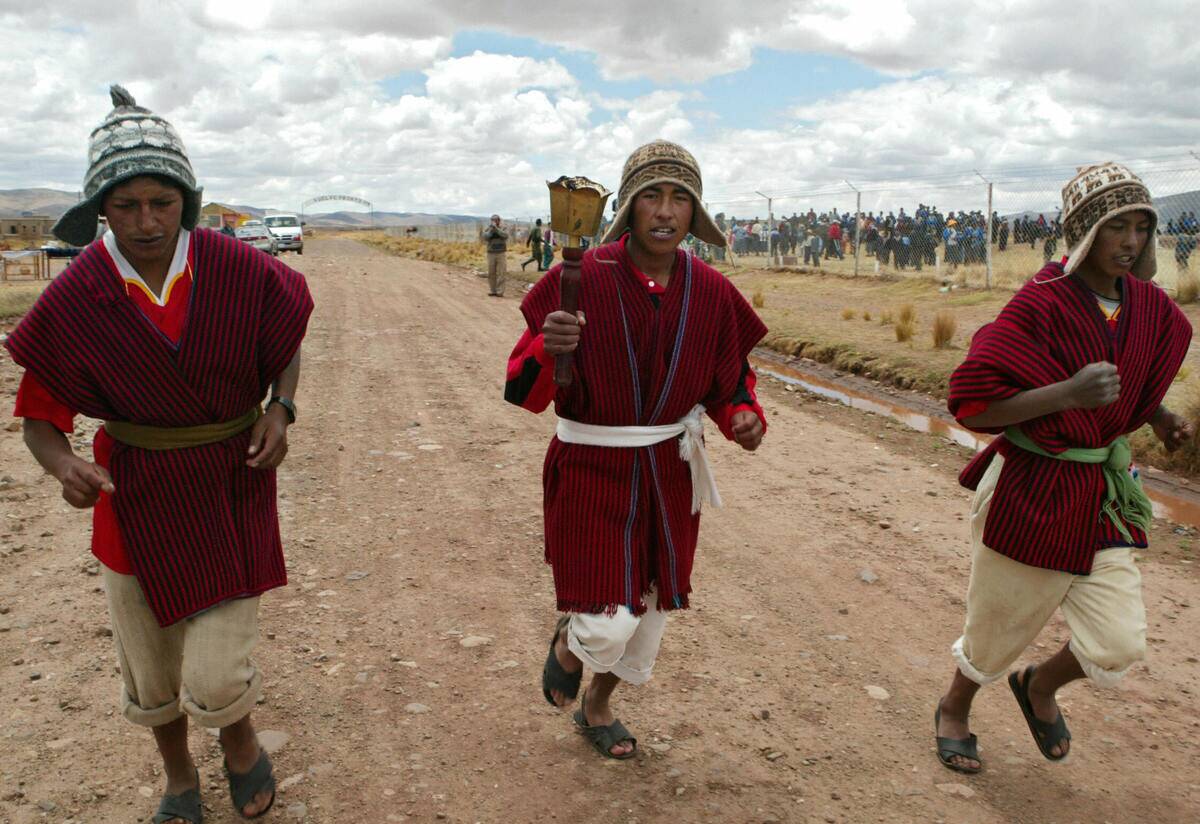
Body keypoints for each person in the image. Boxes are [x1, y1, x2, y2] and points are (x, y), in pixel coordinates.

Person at [4, 86, 313, 823]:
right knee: (150, 667)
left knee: (213, 670)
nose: (146, 222)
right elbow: (39, 419)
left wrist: (280, 406)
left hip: (228, 482)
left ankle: (239, 743)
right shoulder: (76, 294)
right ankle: (178, 776)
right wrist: (63, 466)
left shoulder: (237, 266)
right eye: (126, 205)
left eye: (162, 202)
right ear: (99, 211)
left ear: (186, 200)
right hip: (132, 496)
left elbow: (285, 340)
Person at [504, 140, 768, 760]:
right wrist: (550, 347)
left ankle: (597, 707)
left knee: (648, 622)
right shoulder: (578, 278)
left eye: (681, 197)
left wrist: (743, 417)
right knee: (607, 619)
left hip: (669, 469)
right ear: (627, 207)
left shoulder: (711, 291)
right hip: (594, 464)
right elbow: (521, 387)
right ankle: (571, 644)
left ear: (695, 212)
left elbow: (732, 380)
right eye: (653, 194)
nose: (666, 210)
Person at [933, 163, 1192, 775]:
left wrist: (1155, 416)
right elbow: (973, 400)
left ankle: (1040, 685)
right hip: (1034, 485)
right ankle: (954, 707)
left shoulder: (1147, 306)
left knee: (1119, 640)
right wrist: (1067, 395)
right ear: (1085, 233)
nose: (1130, 242)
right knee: (999, 624)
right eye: (1115, 227)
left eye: (1141, 227)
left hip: (1103, 490)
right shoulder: (1041, 304)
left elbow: (1124, 371)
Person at [482, 214, 508, 297]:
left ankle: (500, 291)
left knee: (501, 272)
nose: (494, 221)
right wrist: (491, 230)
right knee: (491, 273)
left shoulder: (503, 228)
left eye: (496, 220)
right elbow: (485, 237)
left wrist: (496, 229)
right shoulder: (488, 229)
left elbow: (505, 235)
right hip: (491, 253)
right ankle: (493, 290)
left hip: (501, 253)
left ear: (499, 220)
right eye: (492, 220)